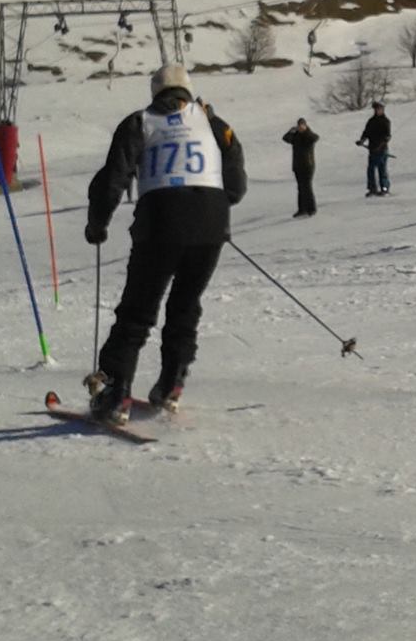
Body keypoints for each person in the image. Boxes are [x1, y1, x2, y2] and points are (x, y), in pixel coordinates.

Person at [82, 64, 246, 424]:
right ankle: (172, 384)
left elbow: (113, 179)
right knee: (185, 305)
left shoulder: (140, 122)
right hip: (211, 224)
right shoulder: (213, 123)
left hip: (160, 221)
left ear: (155, 91)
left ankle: (116, 393)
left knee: (137, 311)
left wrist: (97, 225)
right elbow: (236, 185)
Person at [283, 117, 319, 217]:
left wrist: (306, 131)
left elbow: (315, 138)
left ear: (305, 125)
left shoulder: (309, 135)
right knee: (300, 188)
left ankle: (311, 209)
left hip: (308, 165)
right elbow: (285, 139)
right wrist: (290, 131)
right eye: (299, 125)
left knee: (307, 187)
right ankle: (302, 209)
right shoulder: (296, 137)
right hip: (297, 166)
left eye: (302, 125)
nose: (300, 127)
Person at [356, 101, 391, 197]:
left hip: (382, 150)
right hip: (372, 150)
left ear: (382, 109)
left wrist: (380, 145)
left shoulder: (385, 121)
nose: (377, 111)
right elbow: (366, 133)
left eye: (379, 109)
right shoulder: (371, 121)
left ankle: (384, 189)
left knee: (382, 169)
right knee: (370, 170)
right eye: (376, 109)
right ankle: (372, 189)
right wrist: (362, 141)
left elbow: (387, 136)